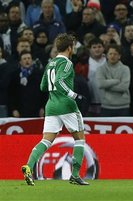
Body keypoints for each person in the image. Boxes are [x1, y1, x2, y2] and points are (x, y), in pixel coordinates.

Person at [21, 33, 89, 186]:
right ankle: (75, 175)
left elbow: (43, 86)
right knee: (79, 139)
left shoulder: (50, 63)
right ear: (69, 48)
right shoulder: (66, 63)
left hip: (51, 106)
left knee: (46, 140)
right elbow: (59, 81)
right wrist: (74, 95)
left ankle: (28, 166)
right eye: (74, 46)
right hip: (67, 105)